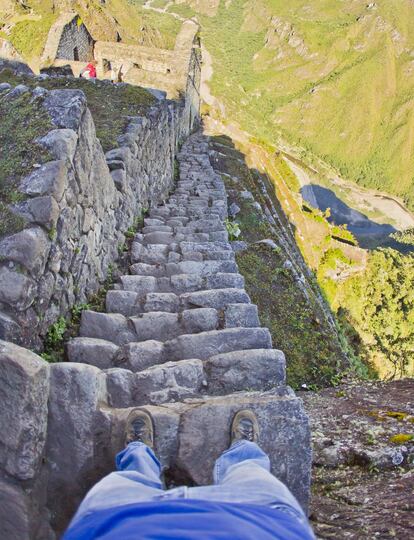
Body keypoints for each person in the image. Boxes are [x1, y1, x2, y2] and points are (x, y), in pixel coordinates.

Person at [63, 408, 315, 539]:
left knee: (127, 477)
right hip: (261, 519)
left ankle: (138, 449)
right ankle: (244, 448)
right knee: (251, 471)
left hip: (118, 520)